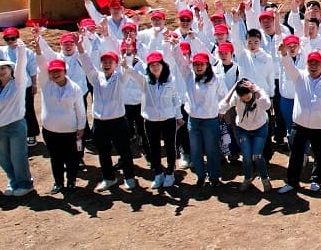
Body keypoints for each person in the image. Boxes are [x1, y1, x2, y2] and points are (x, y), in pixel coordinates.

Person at [77, 49, 144, 192]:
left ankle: (129, 177)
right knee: (103, 151)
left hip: (117, 121)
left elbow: (127, 68)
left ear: (115, 64)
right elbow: (87, 65)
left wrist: (128, 51)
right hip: (100, 122)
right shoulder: (96, 77)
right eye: (104, 62)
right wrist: (80, 47)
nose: (107, 64)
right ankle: (108, 178)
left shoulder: (120, 77)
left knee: (124, 150)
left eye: (110, 62)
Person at [0, 46, 34, 197]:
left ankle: (25, 183)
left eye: (3, 68)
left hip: (16, 126)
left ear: (10, 69)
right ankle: (13, 181)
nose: (1, 72)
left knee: (18, 156)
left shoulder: (18, 83)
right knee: (4, 159)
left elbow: (21, 65)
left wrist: (21, 51)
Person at [176, 50, 228, 189]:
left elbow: (224, 96)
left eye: (202, 64)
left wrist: (221, 111)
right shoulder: (189, 76)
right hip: (193, 120)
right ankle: (200, 176)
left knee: (212, 150)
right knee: (196, 151)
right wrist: (175, 46)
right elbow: (179, 62)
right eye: (196, 64)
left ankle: (214, 177)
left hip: (210, 120)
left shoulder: (216, 79)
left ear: (207, 65)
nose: (198, 67)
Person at [38, 58, 86, 195]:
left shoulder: (75, 88)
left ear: (65, 71)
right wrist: (38, 52)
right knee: (56, 158)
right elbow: (41, 65)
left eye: (58, 71)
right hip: (50, 131)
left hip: (70, 131)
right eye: (52, 72)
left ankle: (71, 181)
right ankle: (58, 182)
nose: (55, 74)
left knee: (72, 158)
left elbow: (80, 110)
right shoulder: (46, 84)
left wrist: (81, 127)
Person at [140, 51, 184, 191]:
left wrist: (179, 116)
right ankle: (158, 174)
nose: (155, 67)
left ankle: (170, 172)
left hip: (168, 118)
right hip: (151, 120)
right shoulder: (145, 81)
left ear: (163, 65)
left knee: (170, 146)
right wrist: (127, 60)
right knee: (154, 147)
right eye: (152, 65)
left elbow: (175, 98)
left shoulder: (171, 79)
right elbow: (131, 73)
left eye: (157, 64)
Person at [222, 78, 273, 192]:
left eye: (248, 97)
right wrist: (233, 89)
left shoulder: (259, 93)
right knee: (246, 156)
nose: (245, 100)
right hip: (243, 129)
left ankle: (265, 178)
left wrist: (256, 91)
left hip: (260, 128)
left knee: (257, 155)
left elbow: (266, 105)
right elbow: (222, 107)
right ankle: (247, 178)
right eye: (243, 98)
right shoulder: (236, 97)